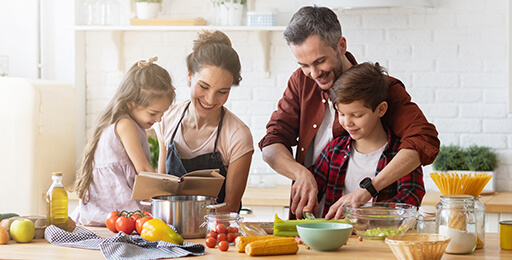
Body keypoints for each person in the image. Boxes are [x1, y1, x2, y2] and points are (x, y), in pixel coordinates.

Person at [258, 6, 439, 219]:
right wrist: (300, 173)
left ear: (341, 45)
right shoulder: (301, 81)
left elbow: (423, 139)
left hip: (370, 227)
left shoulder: (380, 89)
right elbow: (271, 143)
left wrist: (369, 190)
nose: (313, 74)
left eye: (320, 61)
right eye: (304, 65)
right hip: (316, 221)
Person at [154, 30, 254, 213]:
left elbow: (230, 207)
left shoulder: (238, 135)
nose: (210, 99)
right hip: (169, 233)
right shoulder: (166, 120)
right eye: (204, 86)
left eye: (222, 92)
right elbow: (162, 192)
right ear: (190, 75)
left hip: (216, 234)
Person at [311, 62, 425, 220]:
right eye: (341, 114)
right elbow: (313, 188)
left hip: (380, 239)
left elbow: (411, 198)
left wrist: (364, 213)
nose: (347, 122)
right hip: (336, 239)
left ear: (381, 109)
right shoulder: (334, 150)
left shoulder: (401, 154)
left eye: (357, 115)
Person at [70, 57, 175, 226]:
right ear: (131, 104)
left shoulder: (123, 122)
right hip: (116, 208)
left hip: (107, 209)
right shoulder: (126, 125)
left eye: (162, 114)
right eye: (153, 113)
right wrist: (168, 192)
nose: (159, 119)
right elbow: (143, 169)